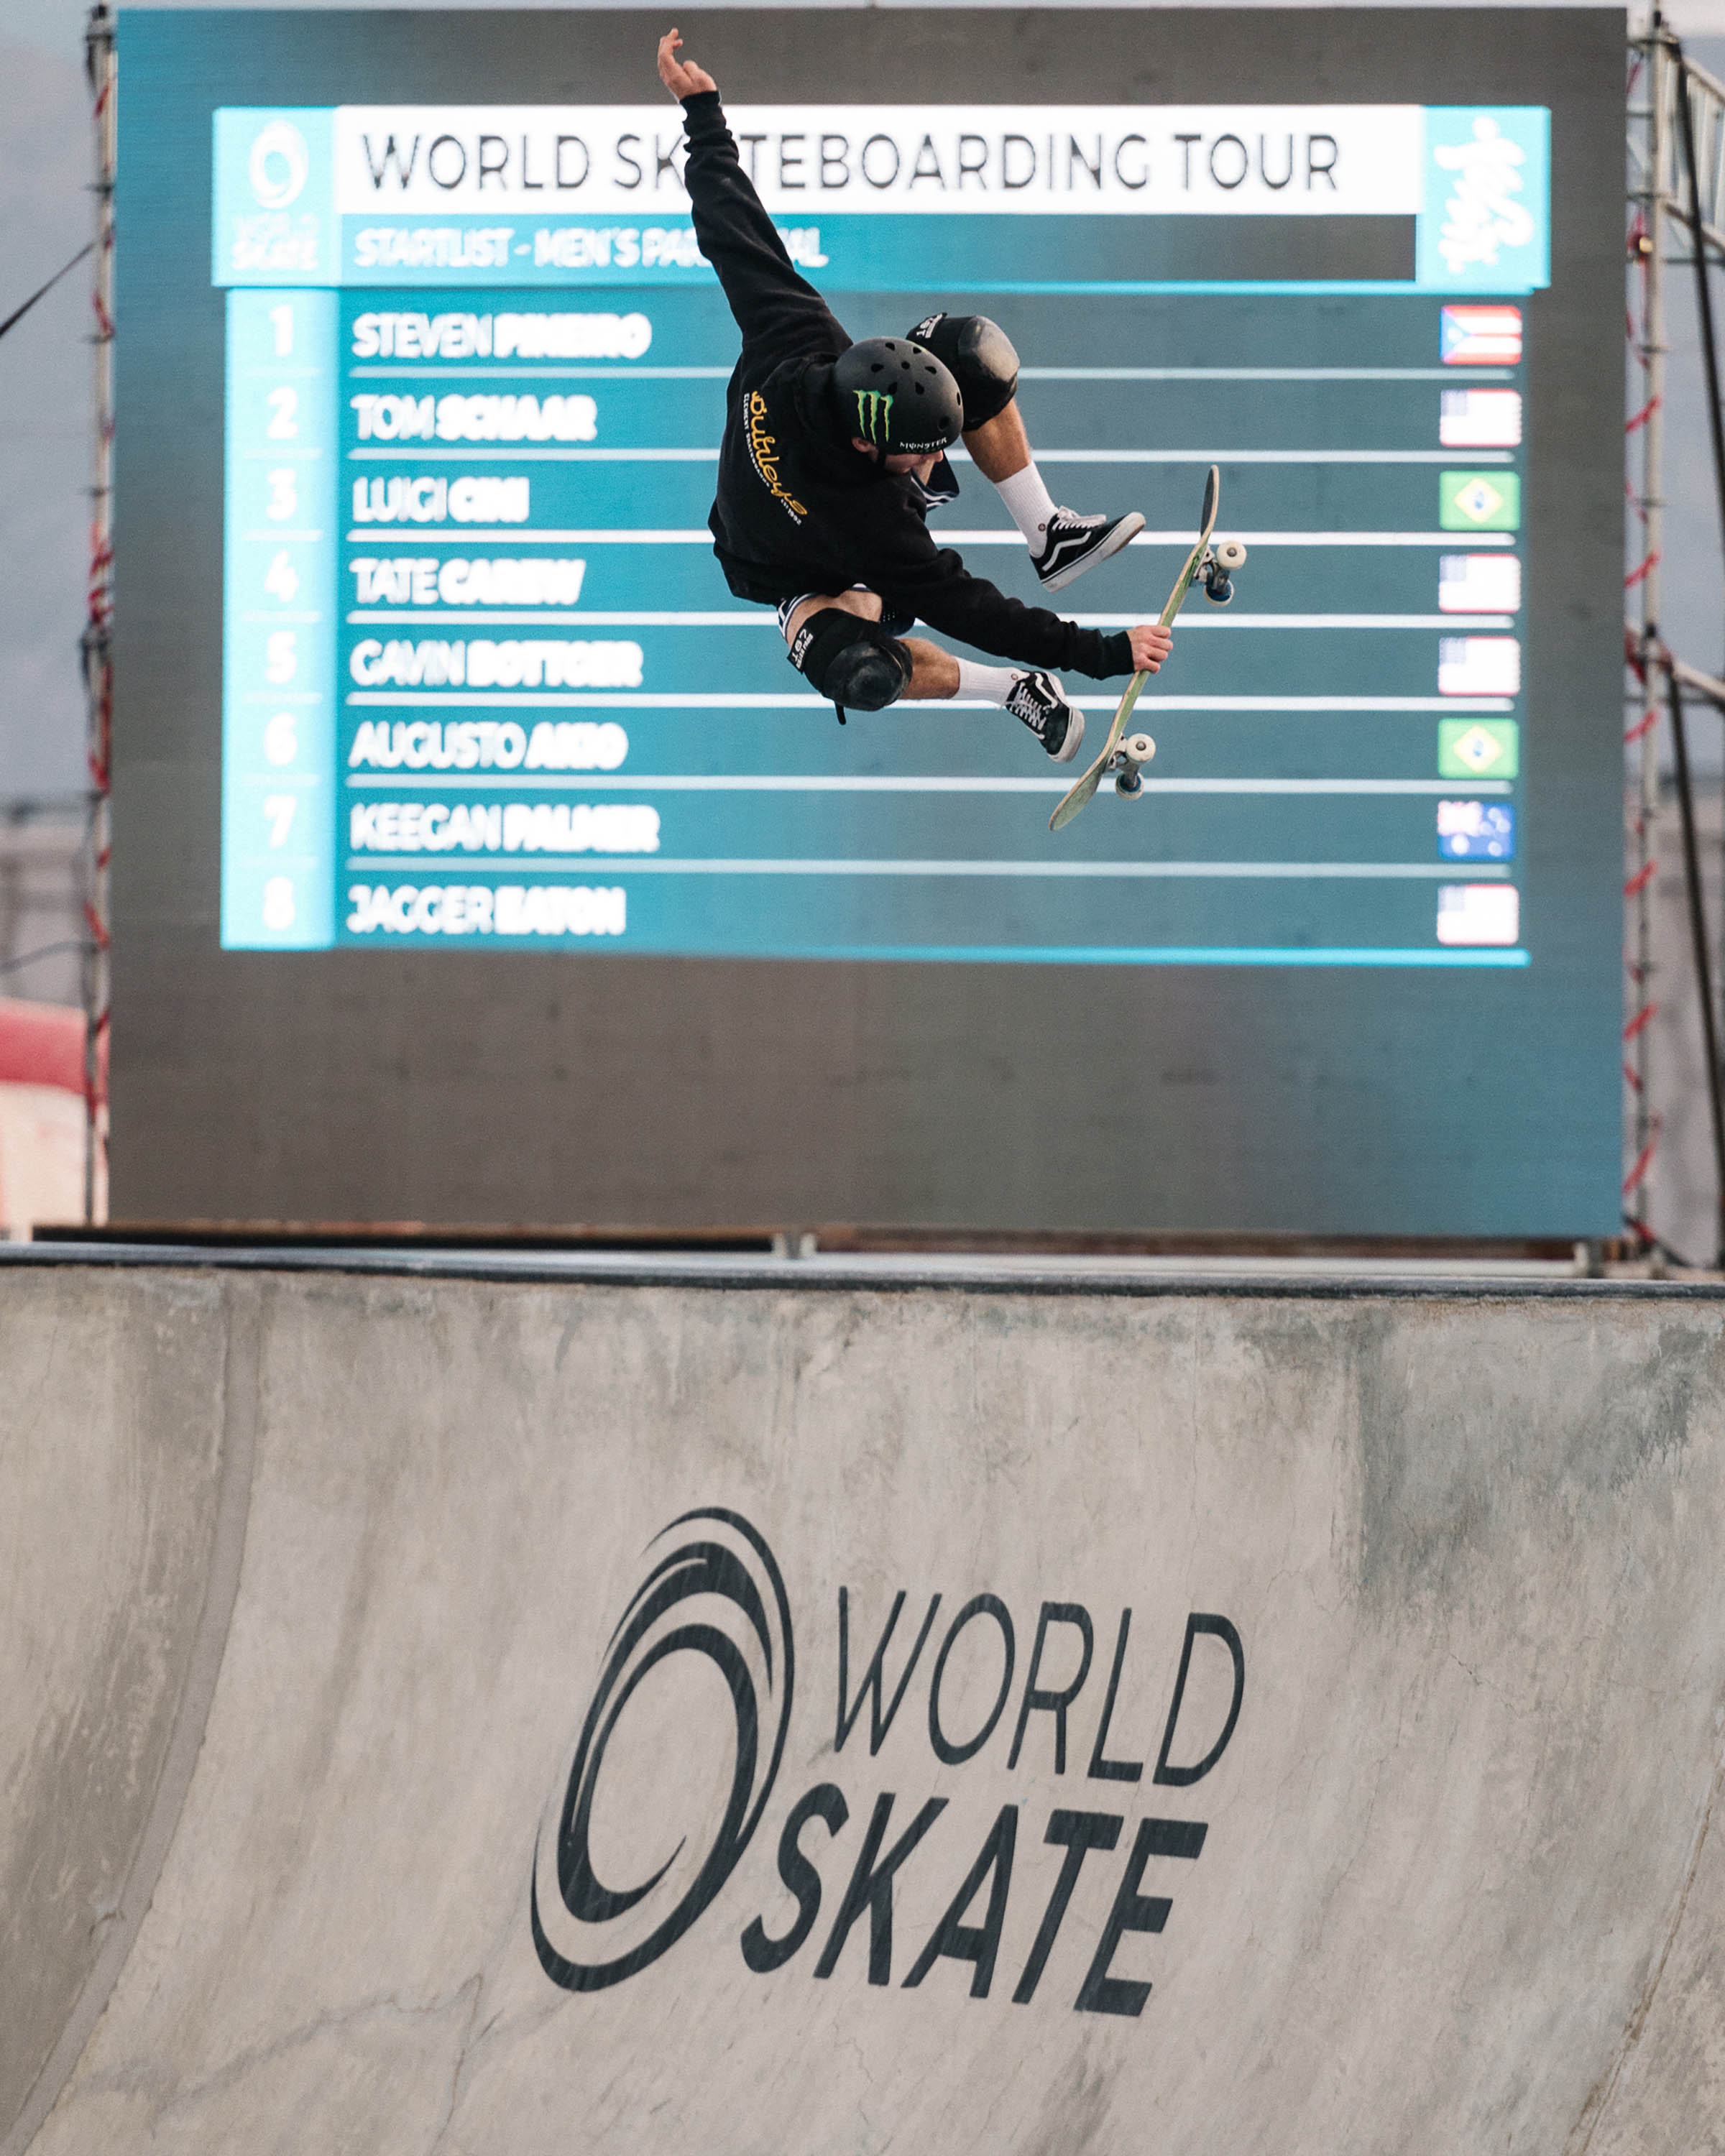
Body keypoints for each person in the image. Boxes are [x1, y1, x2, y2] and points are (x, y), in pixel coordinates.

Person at [655, 27, 1174, 763]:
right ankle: (1012, 692)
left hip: (849, 510)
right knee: (857, 670)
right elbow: (972, 611)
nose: (936, 468)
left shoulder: (794, 336)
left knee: (968, 353)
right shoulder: (873, 520)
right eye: (923, 458)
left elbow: (733, 229)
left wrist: (702, 112)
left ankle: (1048, 534)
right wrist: (1100, 654)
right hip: (791, 568)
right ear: (871, 444)